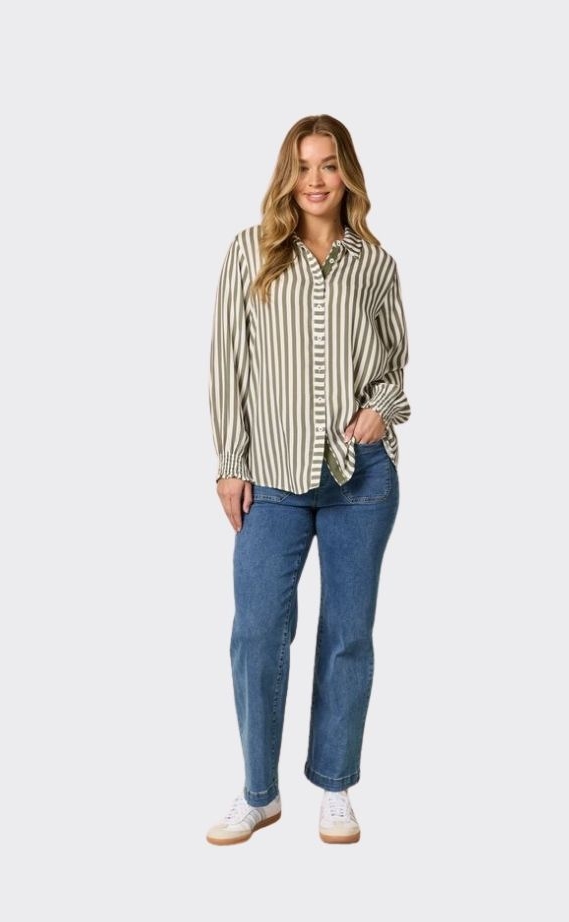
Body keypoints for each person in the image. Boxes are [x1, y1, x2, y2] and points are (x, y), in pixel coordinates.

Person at [206, 114, 411, 845]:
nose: (316, 180)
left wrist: (380, 410)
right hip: (272, 476)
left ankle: (335, 785)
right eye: (302, 166)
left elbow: (395, 365)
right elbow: (227, 363)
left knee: (348, 635)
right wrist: (230, 463)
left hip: (362, 479)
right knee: (258, 630)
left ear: (346, 172)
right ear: (286, 176)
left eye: (328, 164)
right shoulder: (251, 251)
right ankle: (258, 793)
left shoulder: (375, 264)